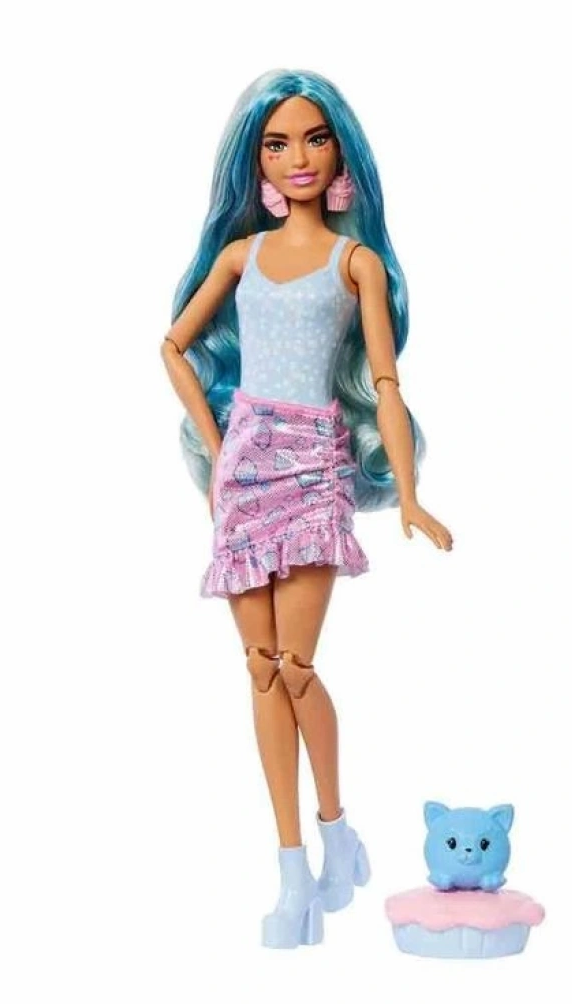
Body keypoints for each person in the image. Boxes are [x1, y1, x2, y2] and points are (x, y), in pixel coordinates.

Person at [161, 68, 452, 948]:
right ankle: (291, 869)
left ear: (340, 154)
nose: (297, 158)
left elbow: (386, 383)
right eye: (277, 143)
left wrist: (410, 493)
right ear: (256, 162)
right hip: (246, 468)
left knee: (295, 666)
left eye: (314, 139)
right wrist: (217, 446)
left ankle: (337, 830)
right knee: (258, 669)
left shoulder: (355, 264)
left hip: (315, 468)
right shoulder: (240, 257)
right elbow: (173, 345)